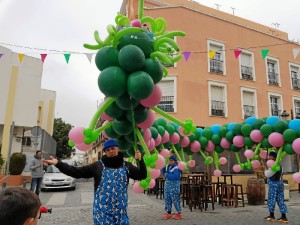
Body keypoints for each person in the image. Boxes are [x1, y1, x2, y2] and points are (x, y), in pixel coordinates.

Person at [43, 139, 147, 225]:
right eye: (108, 150)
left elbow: (142, 175)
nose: (111, 151)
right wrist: (58, 164)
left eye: (113, 148)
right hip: (102, 213)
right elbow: (76, 172)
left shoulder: (127, 166)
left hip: (120, 213)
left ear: (118, 149)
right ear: (105, 152)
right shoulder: (98, 166)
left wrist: (140, 161)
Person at [264, 151, 288, 223]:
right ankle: (284, 217)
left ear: (274, 157)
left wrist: (265, 169)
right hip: (280, 183)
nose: (269, 157)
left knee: (271, 199)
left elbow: (267, 174)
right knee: (280, 199)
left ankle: (272, 215)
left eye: (270, 156)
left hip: (273, 184)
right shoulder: (280, 165)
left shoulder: (273, 165)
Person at [161, 155, 182, 220]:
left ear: (175, 161)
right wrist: (163, 167)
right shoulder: (168, 166)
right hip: (167, 186)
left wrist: (166, 175)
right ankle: (168, 212)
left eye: (172, 160)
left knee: (175, 199)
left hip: (174, 186)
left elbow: (175, 176)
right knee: (167, 199)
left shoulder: (177, 168)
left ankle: (179, 213)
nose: (170, 161)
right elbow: (163, 171)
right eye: (170, 160)